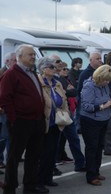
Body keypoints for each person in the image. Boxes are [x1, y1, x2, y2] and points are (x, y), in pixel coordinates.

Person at [0, 44, 47, 194]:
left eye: (34, 54)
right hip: (20, 122)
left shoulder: (32, 72)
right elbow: (4, 98)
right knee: (14, 158)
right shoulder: (12, 74)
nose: (33, 57)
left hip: (36, 121)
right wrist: (14, 119)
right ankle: (10, 188)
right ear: (19, 57)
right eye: (30, 55)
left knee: (34, 156)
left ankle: (30, 187)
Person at [36, 57, 70, 189]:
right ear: (43, 69)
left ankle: (48, 177)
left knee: (52, 152)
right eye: (51, 67)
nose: (55, 69)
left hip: (57, 122)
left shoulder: (57, 83)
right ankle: (39, 181)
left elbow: (64, 99)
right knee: (43, 153)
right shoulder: (39, 82)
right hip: (44, 123)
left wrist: (65, 112)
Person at [80, 65, 111, 186]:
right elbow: (86, 106)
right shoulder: (89, 86)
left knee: (99, 147)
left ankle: (96, 171)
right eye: (106, 80)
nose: (108, 82)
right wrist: (103, 106)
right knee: (92, 148)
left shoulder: (104, 86)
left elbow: (106, 98)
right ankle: (91, 175)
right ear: (99, 78)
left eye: (109, 80)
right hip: (91, 121)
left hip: (103, 120)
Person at [55, 60, 86, 172]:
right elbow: (64, 92)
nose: (65, 70)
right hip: (58, 113)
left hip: (66, 112)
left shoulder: (63, 79)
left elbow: (74, 91)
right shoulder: (55, 79)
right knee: (55, 141)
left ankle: (80, 163)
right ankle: (53, 164)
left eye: (66, 68)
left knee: (73, 138)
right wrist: (67, 90)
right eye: (63, 68)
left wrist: (68, 90)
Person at [75, 53, 102, 133]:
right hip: (87, 105)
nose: (100, 60)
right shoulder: (85, 73)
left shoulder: (100, 72)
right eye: (98, 59)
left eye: (100, 58)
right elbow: (80, 90)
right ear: (91, 60)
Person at [0, 52, 16, 171]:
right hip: (3, 110)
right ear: (7, 62)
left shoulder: (16, 73)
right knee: (4, 137)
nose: (16, 63)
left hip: (13, 110)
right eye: (14, 60)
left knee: (10, 137)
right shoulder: (3, 73)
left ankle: (11, 159)